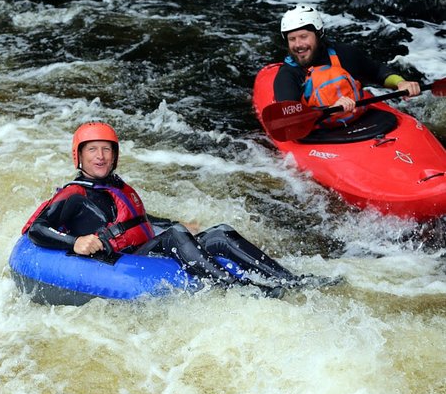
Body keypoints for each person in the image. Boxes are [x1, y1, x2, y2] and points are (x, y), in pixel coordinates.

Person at [22, 121, 303, 296]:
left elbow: (135, 220)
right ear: (79, 156)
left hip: (143, 249)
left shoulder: (115, 186)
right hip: (121, 259)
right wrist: (77, 241)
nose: (101, 156)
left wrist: (171, 223)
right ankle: (238, 290)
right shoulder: (75, 194)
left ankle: (290, 279)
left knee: (220, 232)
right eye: (92, 149)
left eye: (107, 150)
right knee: (177, 235)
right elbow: (37, 229)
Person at [273, 4, 421, 128]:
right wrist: (329, 111)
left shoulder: (344, 54)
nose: (298, 45)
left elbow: (376, 71)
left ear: (318, 34)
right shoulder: (287, 75)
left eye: (304, 36)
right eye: (292, 39)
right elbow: (290, 121)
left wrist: (400, 83)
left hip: (359, 122)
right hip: (319, 134)